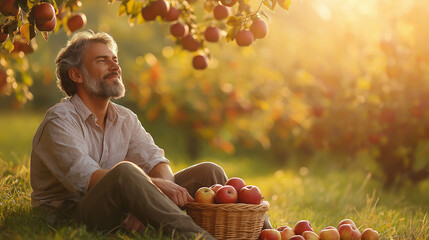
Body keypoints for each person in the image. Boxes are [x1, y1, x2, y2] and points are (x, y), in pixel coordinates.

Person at [30, 31, 271, 239]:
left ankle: (269, 235)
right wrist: (148, 188)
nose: (115, 66)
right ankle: (198, 238)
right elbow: (87, 179)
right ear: (76, 75)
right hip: (72, 214)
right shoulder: (60, 120)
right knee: (125, 172)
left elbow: (156, 161)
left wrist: (151, 194)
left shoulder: (124, 117)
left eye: (115, 60)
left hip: (119, 203)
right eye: (103, 61)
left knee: (210, 172)